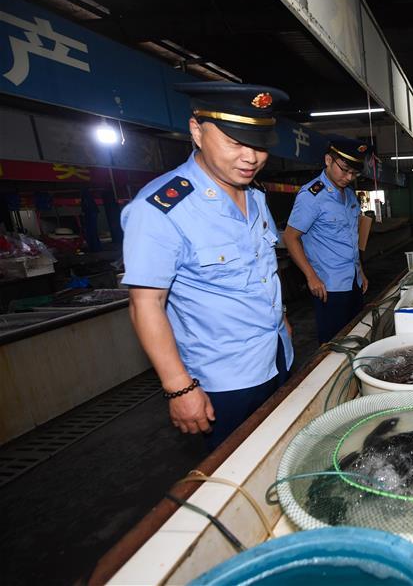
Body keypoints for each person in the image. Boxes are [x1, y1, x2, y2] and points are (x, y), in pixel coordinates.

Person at [121, 82, 294, 450]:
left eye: (260, 145)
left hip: (276, 354)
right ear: (197, 132)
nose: (251, 158)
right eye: (235, 142)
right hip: (222, 380)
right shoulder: (160, 209)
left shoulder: (255, 195)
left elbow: (262, 270)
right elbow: (145, 304)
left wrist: (281, 321)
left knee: (279, 453)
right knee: (232, 472)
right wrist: (179, 387)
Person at [283, 138, 370, 344]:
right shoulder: (312, 196)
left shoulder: (350, 195)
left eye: (354, 173)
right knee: (334, 344)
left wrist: (360, 271)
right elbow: (290, 237)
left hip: (353, 281)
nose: (349, 177)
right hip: (329, 286)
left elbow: (351, 238)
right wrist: (311, 277)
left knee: (356, 337)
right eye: (345, 170)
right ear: (328, 160)